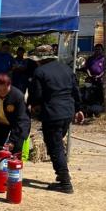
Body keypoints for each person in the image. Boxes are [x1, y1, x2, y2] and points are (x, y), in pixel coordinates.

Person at [28, 55, 85, 194]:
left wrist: (33, 106)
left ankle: (65, 182)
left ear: (40, 60)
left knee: (55, 146)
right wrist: (78, 109)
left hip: (52, 112)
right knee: (57, 143)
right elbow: (76, 91)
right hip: (68, 112)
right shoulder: (67, 69)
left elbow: (36, 94)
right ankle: (61, 173)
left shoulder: (40, 71)